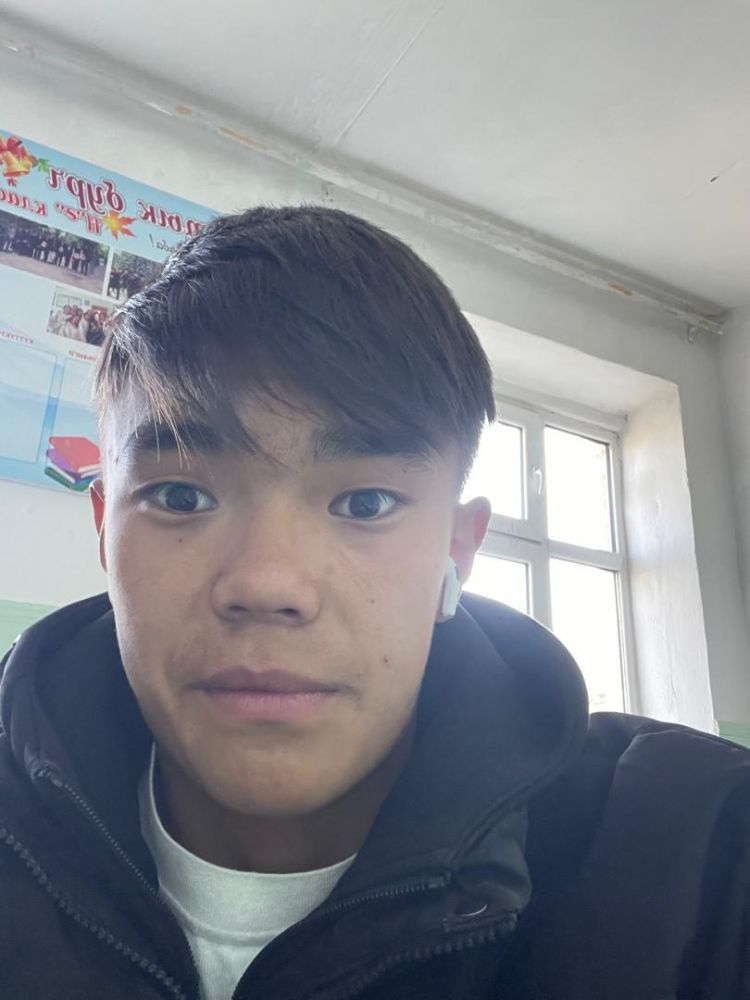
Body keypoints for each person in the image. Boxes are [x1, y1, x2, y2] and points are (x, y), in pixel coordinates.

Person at [0, 206, 748, 1000]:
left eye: (365, 504)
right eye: (181, 496)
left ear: (456, 550)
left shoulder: (704, 855)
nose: (268, 584)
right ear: (106, 530)